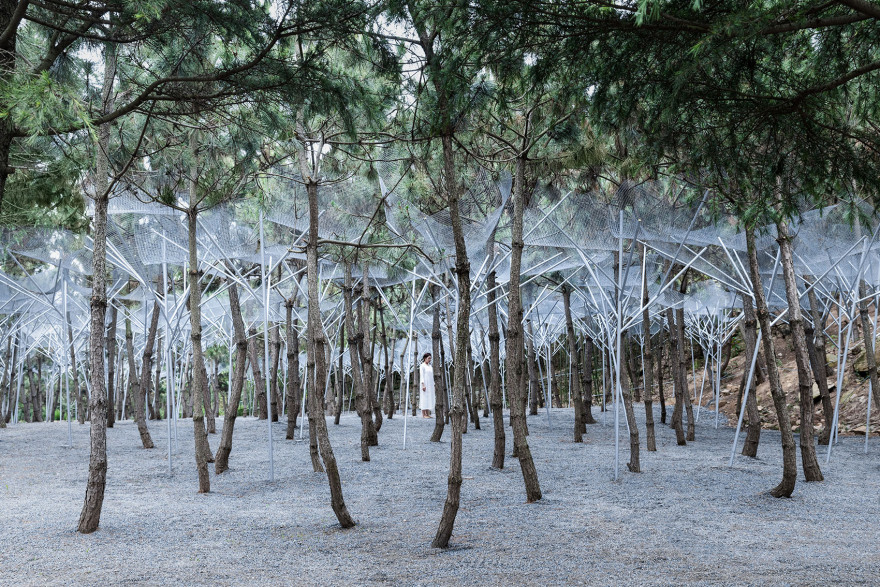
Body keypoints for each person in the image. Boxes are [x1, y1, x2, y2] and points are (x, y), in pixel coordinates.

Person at [419, 352, 435, 418]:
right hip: (425, 383)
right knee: (424, 397)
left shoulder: (430, 366)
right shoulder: (422, 366)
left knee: (429, 397)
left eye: (430, 358)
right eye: (428, 358)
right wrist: (423, 385)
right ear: (425, 358)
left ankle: (428, 413)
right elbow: (422, 376)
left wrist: (433, 384)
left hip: (430, 384)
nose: (430, 359)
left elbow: (432, 376)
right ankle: (424, 414)